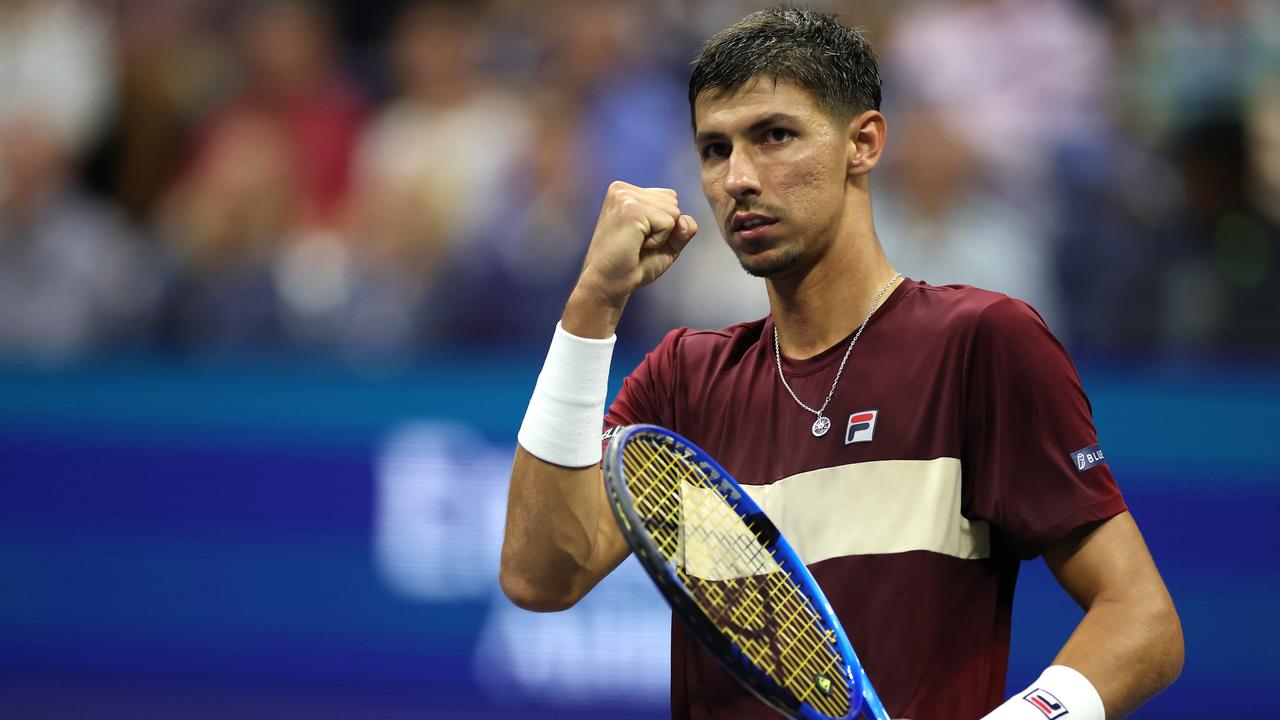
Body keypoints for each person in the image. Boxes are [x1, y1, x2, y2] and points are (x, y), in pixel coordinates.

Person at [500, 8, 1183, 719]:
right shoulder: (683, 381)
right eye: (714, 149)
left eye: (774, 137)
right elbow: (538, 576)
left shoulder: (981, 344)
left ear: (863, 143)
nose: (738, 177)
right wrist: (591, 306)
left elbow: (1142, 619)